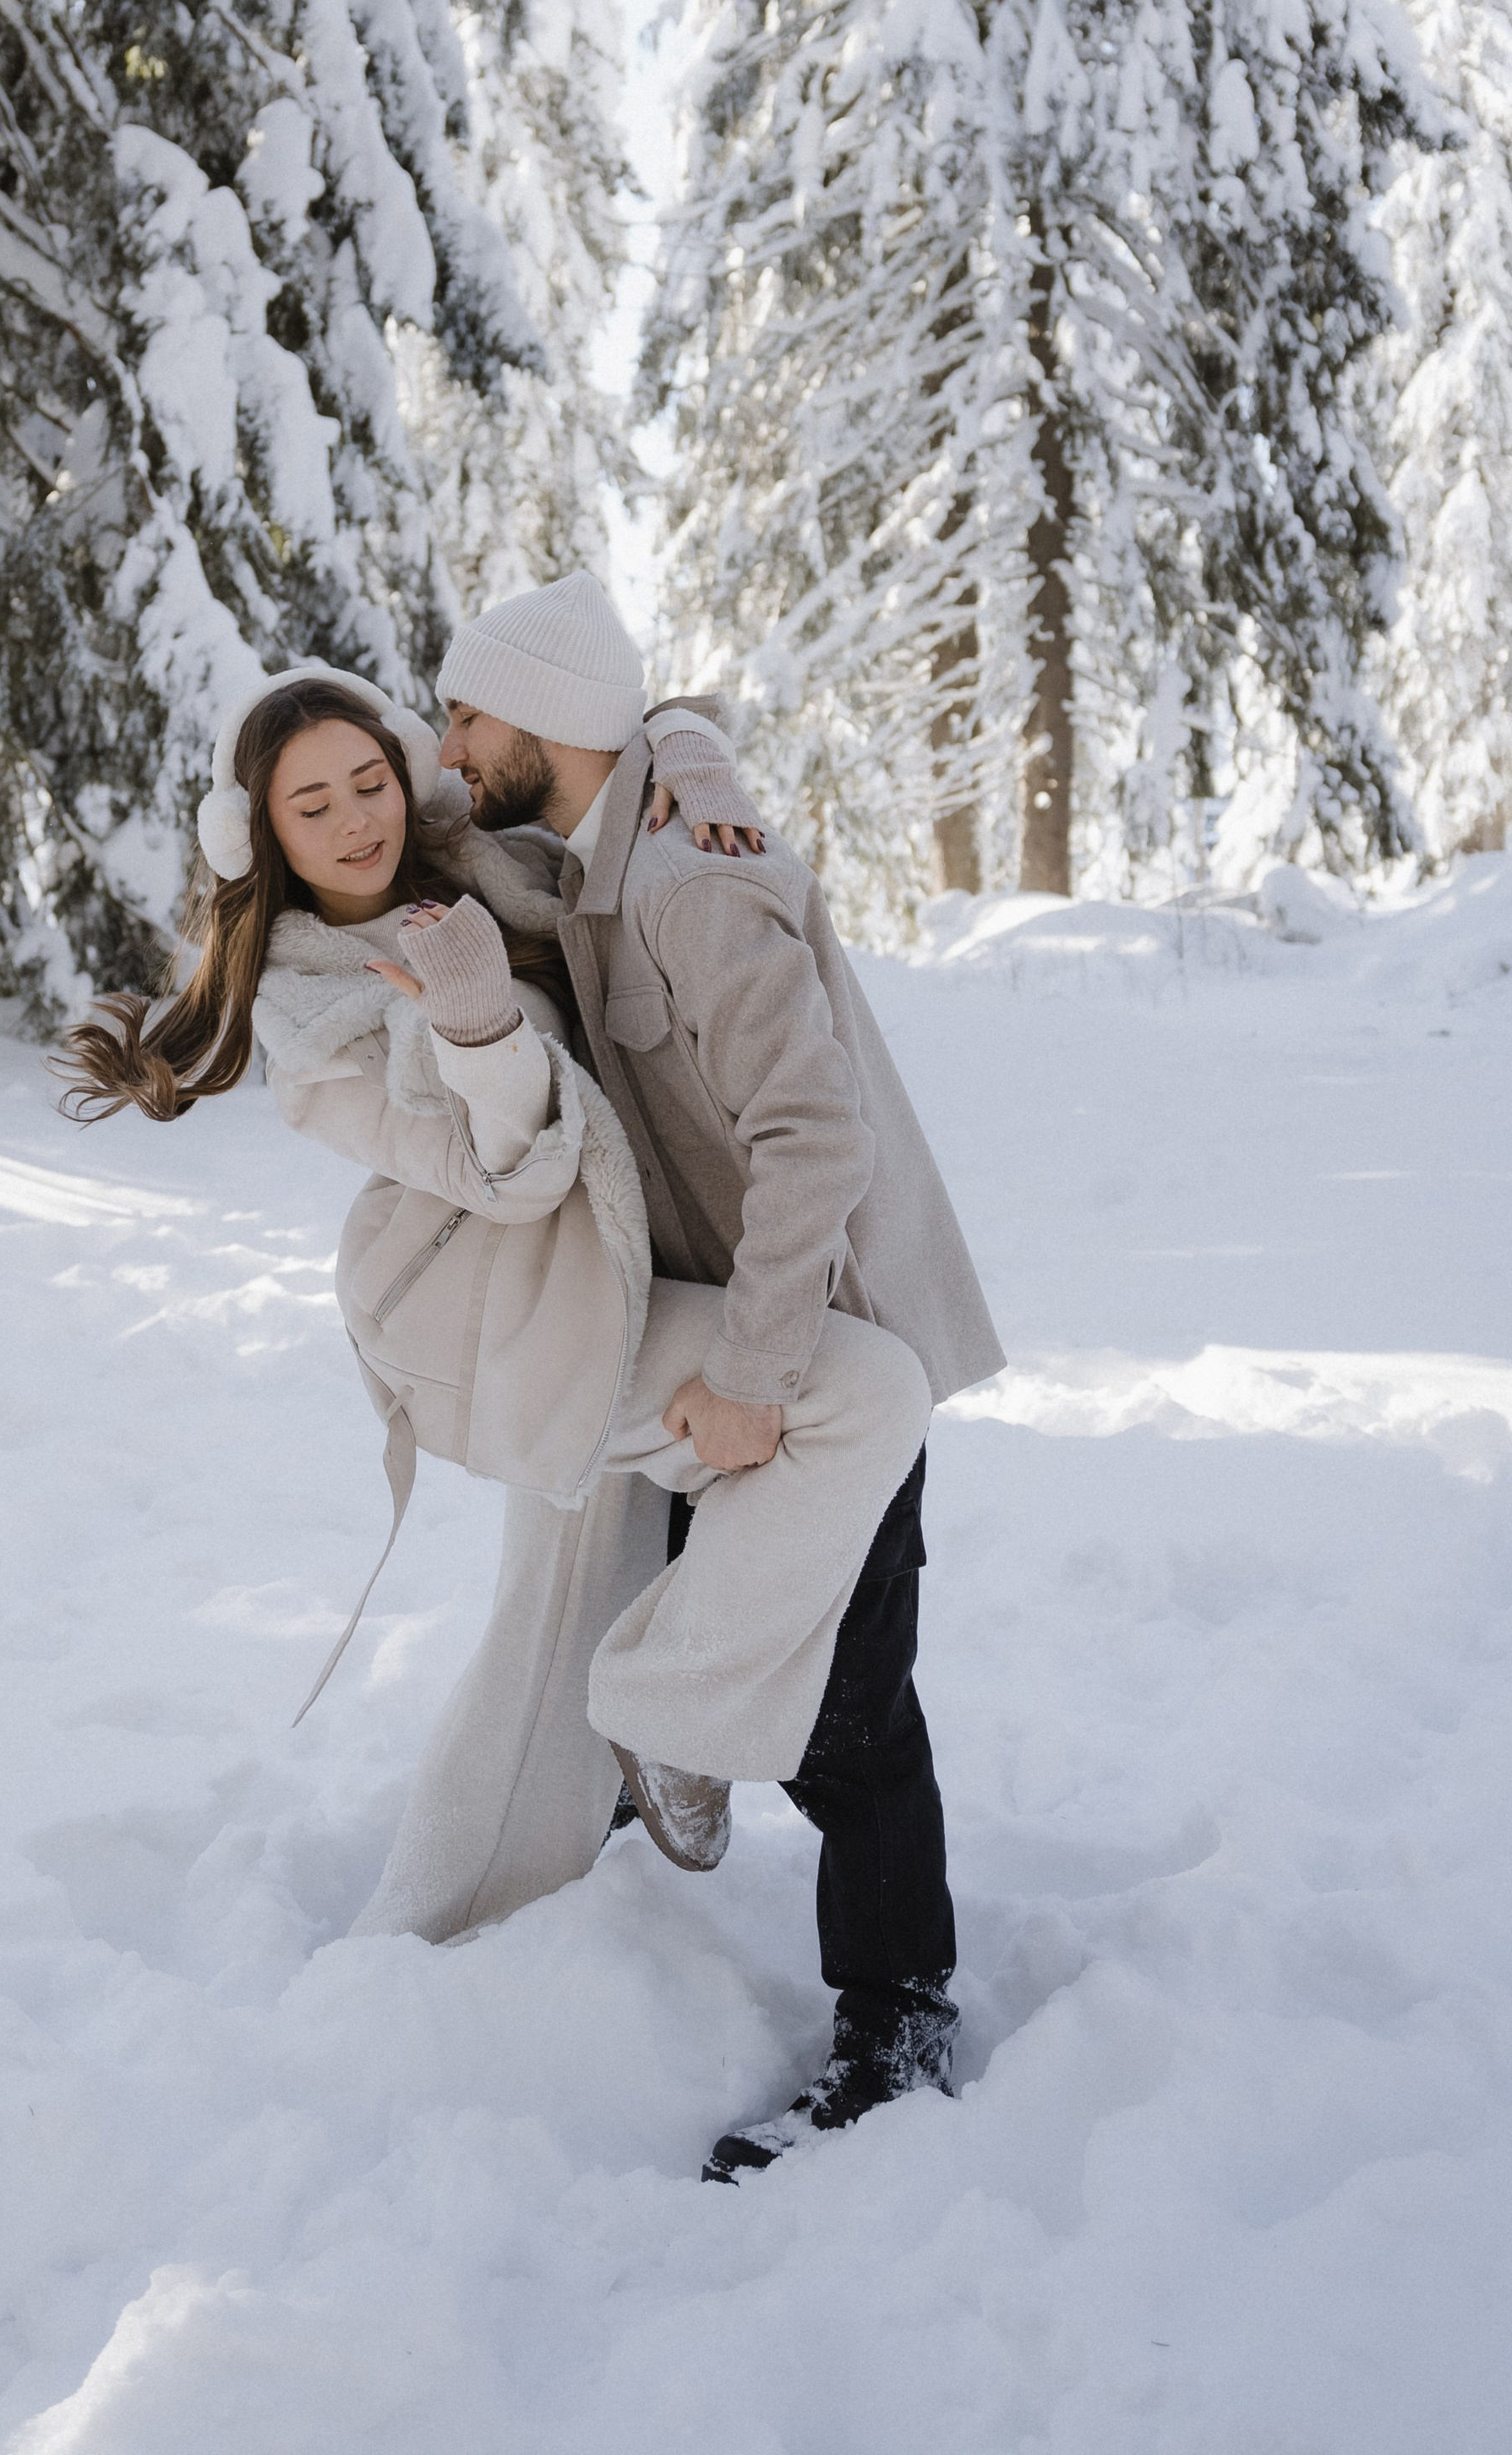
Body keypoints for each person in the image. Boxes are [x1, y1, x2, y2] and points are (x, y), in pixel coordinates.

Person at [56, 662, 937, 2047]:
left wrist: (696, 760)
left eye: (368, 782)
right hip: (507, 1316)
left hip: (617, 1279)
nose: (354, 820)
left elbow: (611, 740)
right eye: (310, 807)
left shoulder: (485, 865)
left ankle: (454, 1932)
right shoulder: (314, 1027)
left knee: (552, 1626)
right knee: (864, 1395)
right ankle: (675, 1716)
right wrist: (471, 1025)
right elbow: (510, 1171)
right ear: (261, 839)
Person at [428, 570, 1006, 2181]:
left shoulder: (689, 884)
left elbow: (816, 1137)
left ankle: (898, 2023)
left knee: (850, 1703)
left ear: (547, 718)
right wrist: (689, 736)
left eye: (467, 715)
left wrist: (753, 1374)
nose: (449, 747)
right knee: (716, 1616)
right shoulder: (613, 844)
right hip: (745, 1335)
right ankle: (637, 1898)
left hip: (824, 1341)